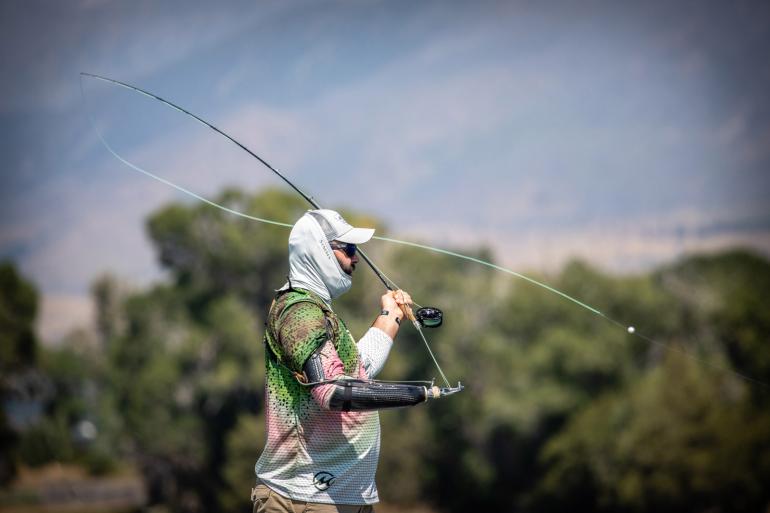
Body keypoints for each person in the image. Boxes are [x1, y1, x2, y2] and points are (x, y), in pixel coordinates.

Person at [252, 209, 440, 513]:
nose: (355, 260)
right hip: (305, 499)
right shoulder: (299, 313)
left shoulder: (318, 311)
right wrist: (418, 393)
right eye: (349, 249)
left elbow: (358, 368)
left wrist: (391, 314)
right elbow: (334, 391)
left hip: (342, 498)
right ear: (319, 251)